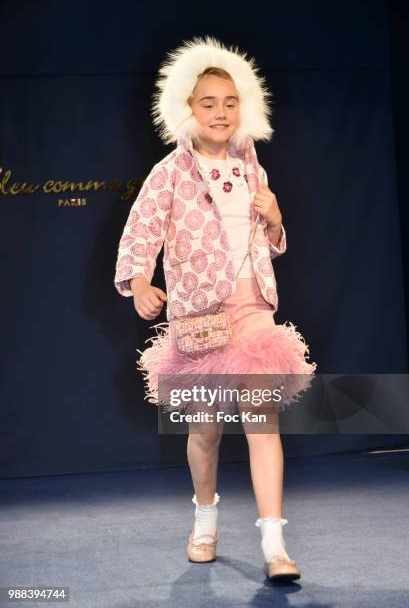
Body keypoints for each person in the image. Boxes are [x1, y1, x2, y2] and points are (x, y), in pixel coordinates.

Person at [114, 36, 316, 582]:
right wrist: (139, 283)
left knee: (261, 422)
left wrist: (275, 217)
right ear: (187, 109)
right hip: (200, 318)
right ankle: (205, 519)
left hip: (252, 312)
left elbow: (272, 238)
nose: (221, 112)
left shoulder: (253, 165)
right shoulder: (170, 172)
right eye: (208, 103)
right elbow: (141, 231)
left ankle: (275, 543)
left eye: (229, 102)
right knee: (204, 430)